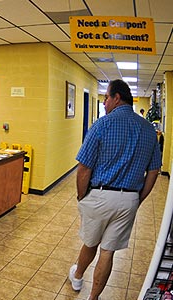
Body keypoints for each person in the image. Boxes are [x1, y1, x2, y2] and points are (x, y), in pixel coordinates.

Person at [70, 79, 161, 300]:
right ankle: (93, 298)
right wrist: (137, 199)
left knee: (91, 242)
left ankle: (78, 276)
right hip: (129, 199)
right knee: (108, 251)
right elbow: (154, 171)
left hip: (100, 195)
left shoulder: (102, 125)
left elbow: (84, 168)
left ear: (116, 98)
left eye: (106, 98)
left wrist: (82, 197)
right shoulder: (149, 130)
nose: (104, 103)